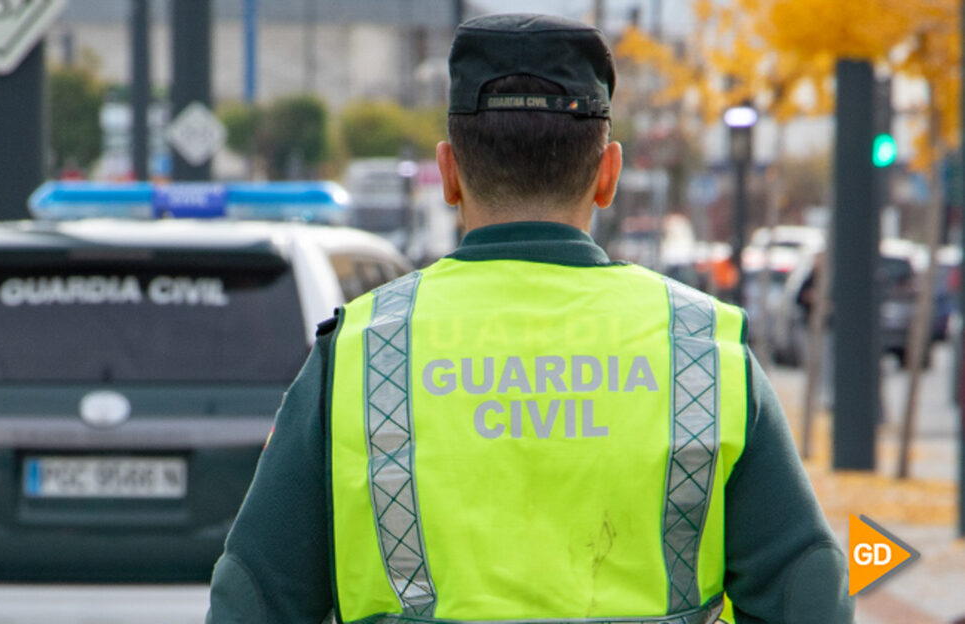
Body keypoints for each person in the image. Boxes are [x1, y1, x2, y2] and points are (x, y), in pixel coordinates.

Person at [207, 13, 853, 624]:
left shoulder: (361, 353)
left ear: (449, 174)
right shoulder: (703, 352)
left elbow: (254, 596)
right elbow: (806, 586)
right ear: (608, 174)